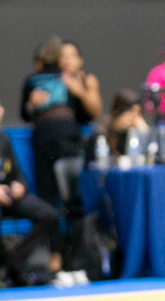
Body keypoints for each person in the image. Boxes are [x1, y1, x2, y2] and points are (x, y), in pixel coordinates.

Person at [21, 37, 101, 272]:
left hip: (70, 145)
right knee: (49, 199)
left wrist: (79, 91)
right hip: (44, 144)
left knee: (74, 202)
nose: (64, 62)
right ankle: (55, 257)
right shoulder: (39, 81)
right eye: (61, 57)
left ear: (79, 60)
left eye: (69, 57)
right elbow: (26, 113)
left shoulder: (83, 81)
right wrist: (32, 105)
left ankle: (76, 259)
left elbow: (92, 113)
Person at [0, 95, 60, 287]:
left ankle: (12, 261)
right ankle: (12, 268)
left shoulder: (3, 138)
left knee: (49, 215)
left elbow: (17, 172)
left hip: (10, 196)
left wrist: (19, 185)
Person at [83, 90, 149, 163]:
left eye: (138, 113)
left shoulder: (130, 135)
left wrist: (144, 130)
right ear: (118, 110)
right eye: (131, 111)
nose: (134, 118)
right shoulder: (100, 134)